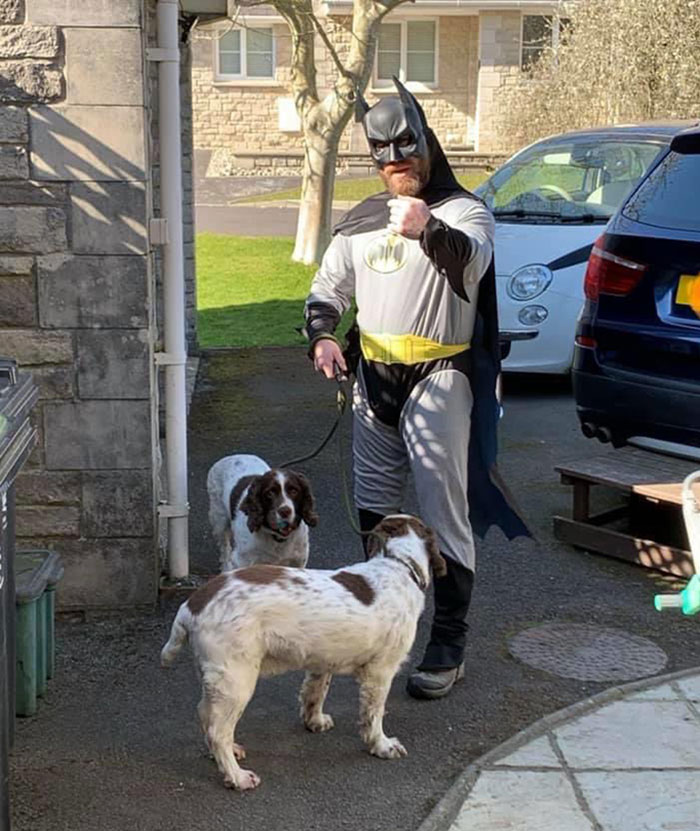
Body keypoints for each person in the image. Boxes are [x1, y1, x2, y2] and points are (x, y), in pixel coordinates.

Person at [303, 77, 529, 700]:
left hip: (440, 378)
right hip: (373, 379)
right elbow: (328, 289)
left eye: (406, 149)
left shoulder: (464, 213)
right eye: (383, 154)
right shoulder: (361, 221)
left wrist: (427, 227)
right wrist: (322, 336)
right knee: (374, 511)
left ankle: (447, 642)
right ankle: (380, 628)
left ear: (428, 145)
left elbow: (470, 262)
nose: (396, 162)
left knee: (442, 511)